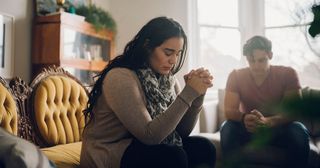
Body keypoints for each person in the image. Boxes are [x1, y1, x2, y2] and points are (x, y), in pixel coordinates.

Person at [80, 16, 216, 168]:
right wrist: (188, 92)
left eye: (177, 54)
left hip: (139, 145)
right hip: (108, 151)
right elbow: (150, 136)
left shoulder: (168, 80)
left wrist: (197, 96)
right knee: (172, 156)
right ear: (147, 46)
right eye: (168, 52)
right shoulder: (120, 77)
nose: (173, 61)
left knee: (204, 148)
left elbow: (181, 132)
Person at [220, 35, 310, 167]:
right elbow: (229, 111)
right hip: (250, 129)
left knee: (298, 131)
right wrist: (244, 117)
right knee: (227, 128)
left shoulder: (288, 73)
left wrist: (269, 121)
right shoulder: (236, 75)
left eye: (261, 60)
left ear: (271, 55)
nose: (256, 66)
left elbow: (295, 111)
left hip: (279, 129)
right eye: (251, 61)